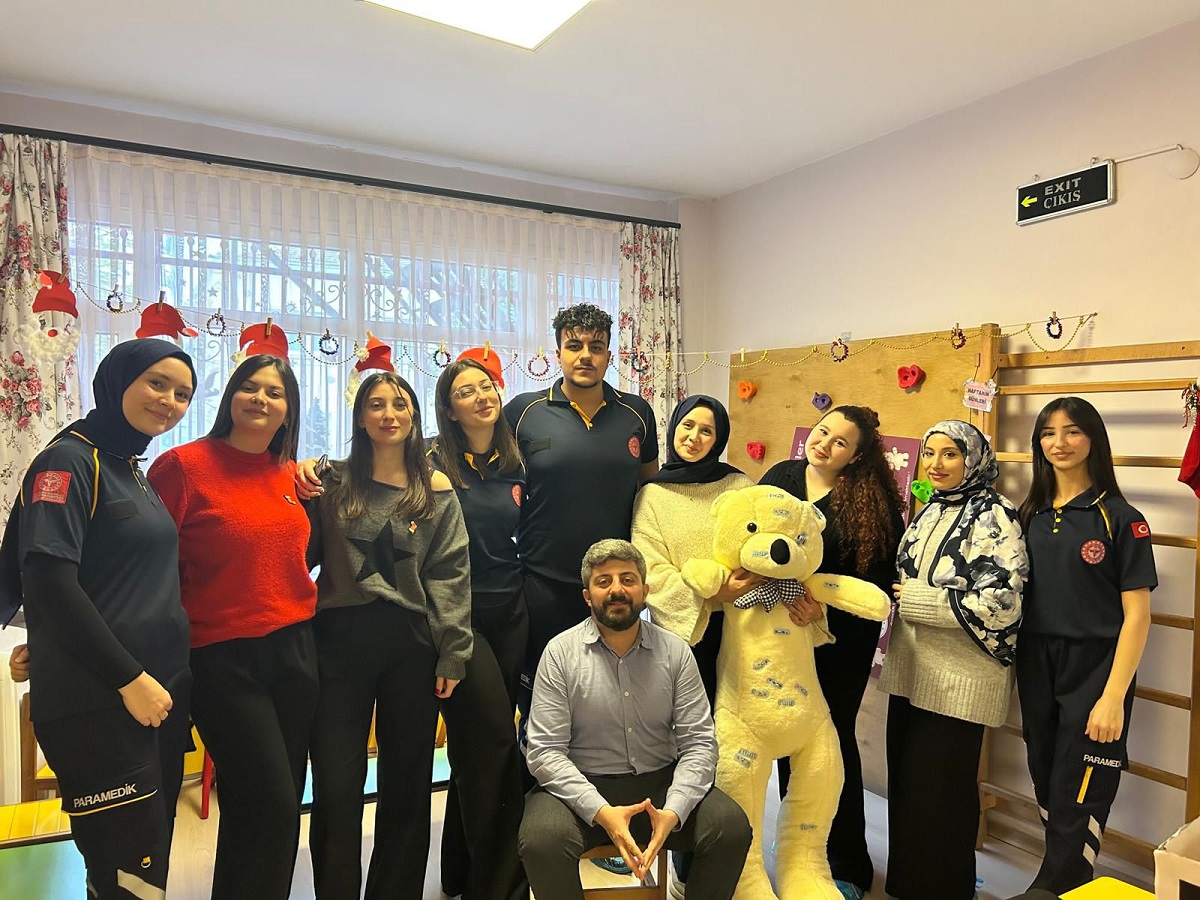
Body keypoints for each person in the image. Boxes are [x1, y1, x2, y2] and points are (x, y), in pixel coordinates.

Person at [6, 338, 195, 899]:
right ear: (116, 382)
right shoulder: (69, 460)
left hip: (154, 699)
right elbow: (48, 580)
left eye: (183, 393)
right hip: (105, 703)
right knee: (125, 875)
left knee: (145, 865)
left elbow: (111, 580)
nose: (169, 401)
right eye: (157, 383)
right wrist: (128, 678)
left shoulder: (129, 468)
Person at [147, 354, 318, 900]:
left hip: (295, 648)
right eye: (250, 387)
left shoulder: (289, 473)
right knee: (268, 801)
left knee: (272, 805)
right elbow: (147, 567)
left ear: (289, 410)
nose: (261, 399)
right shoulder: (182, 467)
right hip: (220, 657)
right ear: (230, 397)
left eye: (275, 392)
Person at [306, 371, 472, 900]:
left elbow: (449, 574)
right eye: (376, 405)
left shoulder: (436, 489)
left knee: (407, 782)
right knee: (336, 783)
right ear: (360, 417)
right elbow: (296, 550)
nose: (389, 414)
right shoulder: (330, 482)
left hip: (410, 645)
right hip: (338, 642)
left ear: (414, 416)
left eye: (400, 405)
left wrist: (453, 653)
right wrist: (296, 472)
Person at [518, 539, 753, 900]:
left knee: (731, 828)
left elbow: (700, 744)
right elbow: (545, 751)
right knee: (541, 840)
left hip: (661, 786)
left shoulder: (676, 652)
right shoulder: (559, 653)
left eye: (628, 579)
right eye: (604, 581)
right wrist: (601, 811)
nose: (617, 590)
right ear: (587, 597)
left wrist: (674, 810)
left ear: (645, 591)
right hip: (581, 787)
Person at [757, 404, 904, 900]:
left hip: (840, 641)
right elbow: (753, 540)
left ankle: (846, 862)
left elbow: (876, 584)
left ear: (856, 456)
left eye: (840, 441)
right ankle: (798, 849)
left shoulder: (871, 501)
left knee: (830, 744)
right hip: (780, 635)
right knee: (788, 735)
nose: (823, 444)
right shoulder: (782, 475)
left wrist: (820, 610)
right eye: (822, 432)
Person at [880, 420, 1028, 900]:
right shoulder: (931, 509)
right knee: (908, 788)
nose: (936, 464)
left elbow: (1004, 604)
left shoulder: (995, 513)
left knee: (941, 795)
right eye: (930, 453)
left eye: (950, 454)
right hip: (914, 672)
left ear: (973, 460)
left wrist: (920, 600)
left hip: (961, 679)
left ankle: (946, 891)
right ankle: (908, 887)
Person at [1015, 397, 1156, 895]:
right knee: (1046, 774)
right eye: (1048, 433)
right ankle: (1059, 879)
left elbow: (1138, 616)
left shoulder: (1120, 517)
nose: (1059, 443)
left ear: (1093, 438)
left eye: (1072, 431)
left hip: (1096, 668)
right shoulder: (1028, 514)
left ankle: (1056, 885)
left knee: (1082, 784)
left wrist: (1113, 696)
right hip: (1035, 661)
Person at [504, 303, 659, 747]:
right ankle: (536, 787)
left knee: (610, 699)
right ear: (558, 353)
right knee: (540, 703)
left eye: (596, 346)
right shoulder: (523, 412)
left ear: (609, 354)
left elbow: (651, 492)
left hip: (614, 587)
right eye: (574, 346)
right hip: (543, 584)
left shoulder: (637, 413)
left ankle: (602, 785)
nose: (585, 355)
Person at [630, 393, 755, 895]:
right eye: (687, 426)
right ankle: (672, 853)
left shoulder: (740, 485)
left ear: (719, 437)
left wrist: (733, 589)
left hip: (739, 630)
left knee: (731, 740)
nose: (695, 437)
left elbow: (756, 547)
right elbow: (649, 564)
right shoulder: (653, 493)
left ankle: (725, 854)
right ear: (673, 429)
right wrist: (708, 592)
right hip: (681, 635)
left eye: (707, 430)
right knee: (678, 742)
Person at [429, 357, 528, 900]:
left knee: (475, 748)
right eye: (465, 392)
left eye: (486, 386)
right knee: (494, 743)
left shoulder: (515, 462)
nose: (481, 396)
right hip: (458, 620)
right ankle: (500, 887)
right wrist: (313, 467)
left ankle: (459, 872)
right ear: (449, 409)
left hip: (510, 613)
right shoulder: (429, 459)